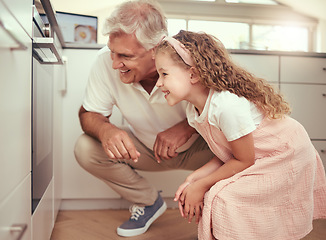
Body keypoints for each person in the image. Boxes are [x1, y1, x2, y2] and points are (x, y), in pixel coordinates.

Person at [155, 30, 326, 240]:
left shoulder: (226, 106)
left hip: (286, 153)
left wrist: (202, 185)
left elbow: (244, 159)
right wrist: (194, 179)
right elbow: (227, 152)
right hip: (257, 156)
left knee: (225, 198)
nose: (158, 83)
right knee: (218, 193)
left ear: (193, 74)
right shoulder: (194, 111)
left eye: (164, 74)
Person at [74, 1, 214, 237]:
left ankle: (222, 212)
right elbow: (89, 114)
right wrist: (106, 130)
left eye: (125, 56)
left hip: (201, 148)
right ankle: (149, 202)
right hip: (146, 151)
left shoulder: (191, 58)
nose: (115, 64)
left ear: (156, 48)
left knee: (240, 150)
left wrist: (186, 128)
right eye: (112, 52)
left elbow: (225, 111)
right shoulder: (106, 63)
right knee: (85, 148)